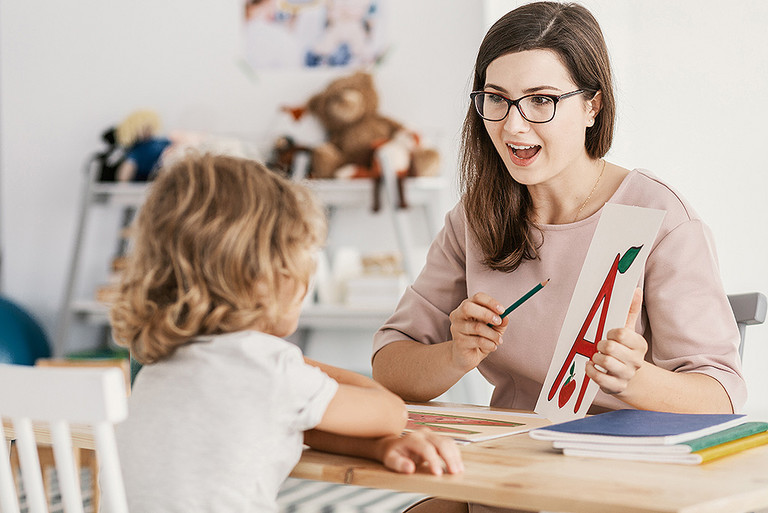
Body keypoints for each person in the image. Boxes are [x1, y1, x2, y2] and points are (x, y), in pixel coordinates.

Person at [372, 3, 745, 512]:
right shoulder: (476, 217)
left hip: (622, 481)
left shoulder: (661, 218)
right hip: (510, 474)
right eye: (496, 100)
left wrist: (635, 380)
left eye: (542, 100)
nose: (513, 126)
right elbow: (390, 368)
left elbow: (722, 397)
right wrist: (453, 355)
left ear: (592, 105)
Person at [110, 153, 462, 512]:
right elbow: (390, 412)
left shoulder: (157, 369)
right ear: (266, 276)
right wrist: (294, 361)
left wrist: (377, 448)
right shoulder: (268, 368)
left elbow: (290, 422)